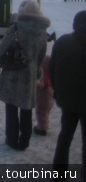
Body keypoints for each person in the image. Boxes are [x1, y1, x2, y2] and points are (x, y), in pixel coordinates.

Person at [0, 0, 50, 150]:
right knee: (26, 109)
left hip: (12, 72)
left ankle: (12, 139)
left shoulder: (16, 28)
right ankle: (24, 141)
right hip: (30, 74)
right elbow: (41, 55)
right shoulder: (42, 31)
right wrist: (36, 69)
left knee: (11, 107)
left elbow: (3, 48)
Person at [49, 10, 86, 173]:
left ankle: (59, 173)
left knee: (65, 137)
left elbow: (52, 69)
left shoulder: (63, 42)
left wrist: (58, 90)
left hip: (67, 100)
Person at [33, 54, 54, 136]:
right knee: (46, 112)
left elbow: (40, 85)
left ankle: (42, 128)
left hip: (43, 96)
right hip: (51, 95)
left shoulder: (42, 75)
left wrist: (35, 84)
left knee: (41, 112)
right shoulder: (52, 74)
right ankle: (45, 124)